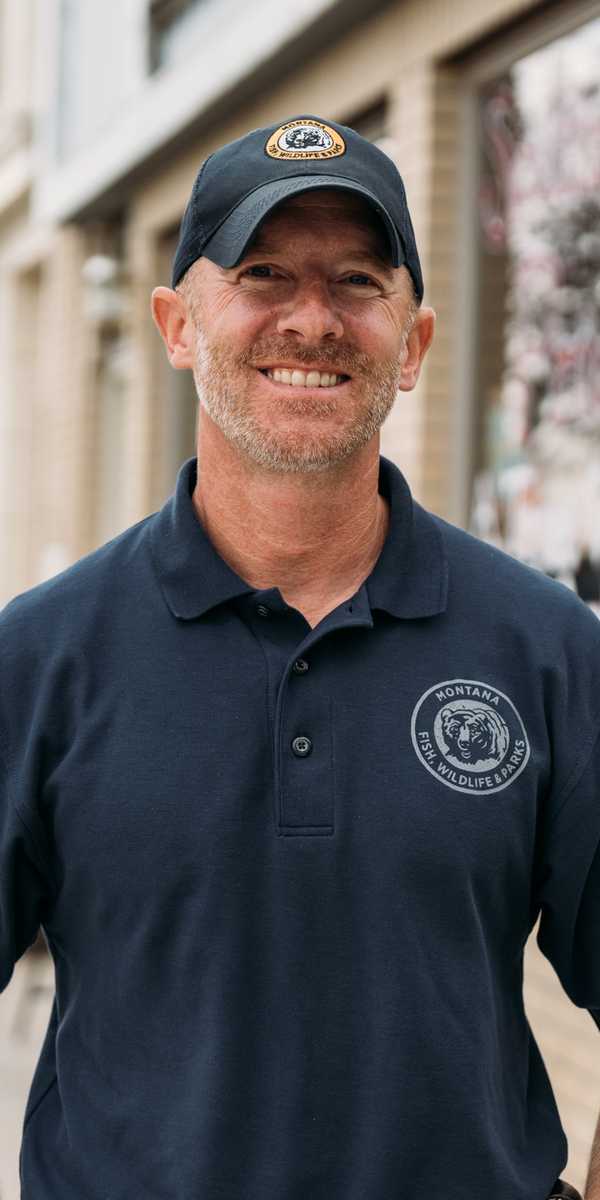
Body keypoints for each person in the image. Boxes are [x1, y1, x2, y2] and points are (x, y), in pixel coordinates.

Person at [1, 114, 598, 1200]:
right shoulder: (38, 658)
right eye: (263, 272)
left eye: (359, 282)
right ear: (179, 326)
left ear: (413, 345)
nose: (312, 320)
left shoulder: (550, 652)